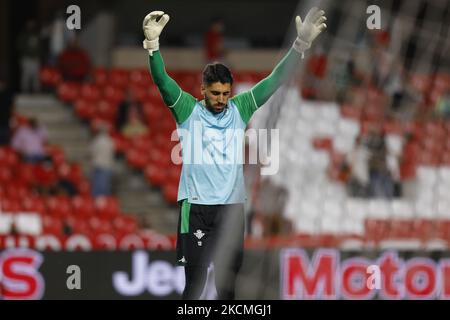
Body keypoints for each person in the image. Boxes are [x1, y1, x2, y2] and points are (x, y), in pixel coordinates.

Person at [143, 8, 326, 299]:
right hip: (197, 209)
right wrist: (152, 47)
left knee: (228, 288)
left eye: (226, 93)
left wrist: (299, 46)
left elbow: (275, 80)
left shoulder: (240, 107)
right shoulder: (187, 109)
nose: (221, 100)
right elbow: (162, 81)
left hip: (232, 211)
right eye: (215, 93)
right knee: (194, 286)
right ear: (203, 89)